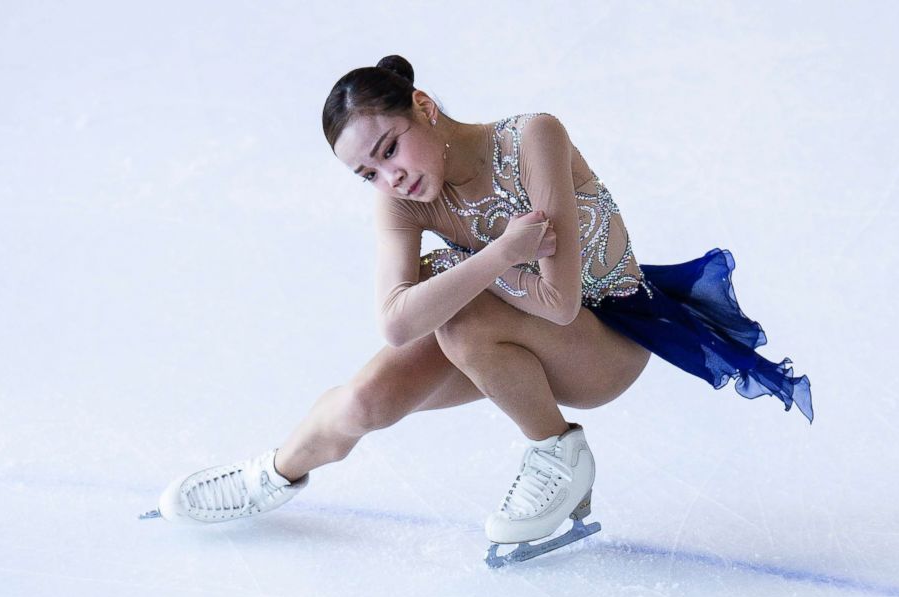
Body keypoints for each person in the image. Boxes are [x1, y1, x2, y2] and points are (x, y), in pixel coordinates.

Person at [149, 56, 813, 553]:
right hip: (504, 328)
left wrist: (460, 272)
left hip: (605, 342)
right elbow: (395, 317)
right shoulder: (402, 202)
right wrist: (492, 258)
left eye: (389, 147)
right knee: (364, 400)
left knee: (459, 312)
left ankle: (557, 451)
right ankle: (272, 473)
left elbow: (557, 303)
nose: (391, 175)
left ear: (424, 106)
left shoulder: (531, 139)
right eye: (368, 173)